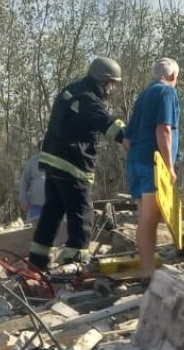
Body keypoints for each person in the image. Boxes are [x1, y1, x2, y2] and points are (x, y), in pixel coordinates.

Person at [30, 57, 127, 271]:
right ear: (103, 80)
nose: (112, 89)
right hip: (72, 165)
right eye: (111, 84)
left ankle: (36, 262)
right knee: (82, 215)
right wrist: (130, 137)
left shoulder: (71, 90)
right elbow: (109, 125)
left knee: (51, 214)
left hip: (53, 163)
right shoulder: (88, 98)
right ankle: (75, 265)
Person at [124, 58, 181, 282]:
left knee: (144, 218)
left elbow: (127, 139)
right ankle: (148, 273)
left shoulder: (143, 95)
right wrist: (169, 166)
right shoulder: (167, 92)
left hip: (135, 162)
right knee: (150, 218)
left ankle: (146, 268)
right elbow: (163, 129)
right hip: (152, 165)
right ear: (173, 76)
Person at [18, 154, 46, 222]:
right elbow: (24, 182)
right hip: (35, 207)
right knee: (33, 227)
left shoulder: (60, 162)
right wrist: (23, 200)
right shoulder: (33, 161)